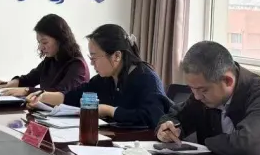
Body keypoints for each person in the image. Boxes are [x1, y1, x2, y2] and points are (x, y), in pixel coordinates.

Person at [27, 24, 171, 128]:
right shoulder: (105, 78)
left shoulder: (146, 78)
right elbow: (75, 96)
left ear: (116, 56)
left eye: (94, 57)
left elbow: (154, 117)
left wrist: (110, 111)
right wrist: (42, 97)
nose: (91, 63)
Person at [0, 14, 89, 96]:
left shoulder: (78, 65)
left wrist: (26, 91)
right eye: (39, 42)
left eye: (45, 42)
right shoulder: (51, 60)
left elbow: (59, 94)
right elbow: (28, 80)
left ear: (60, 39)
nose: (41, 47)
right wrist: (7, 84)